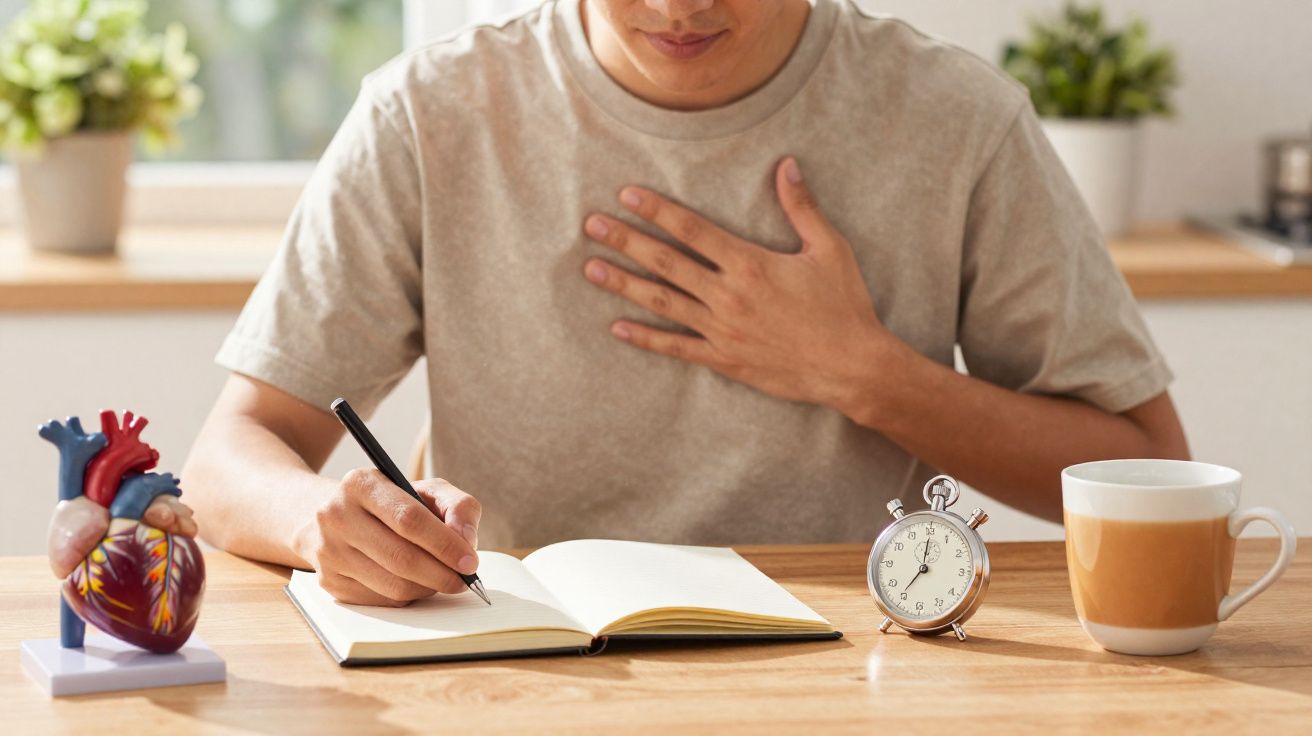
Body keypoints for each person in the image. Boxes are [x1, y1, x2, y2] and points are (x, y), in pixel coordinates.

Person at [181, 0, 1190, 607]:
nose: (679, 4)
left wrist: (862, 373)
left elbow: (1150, 471)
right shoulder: (429, 113)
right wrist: (325, 522)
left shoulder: (955, 120)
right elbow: (233, 455)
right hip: (515, 664)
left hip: (857, 665)